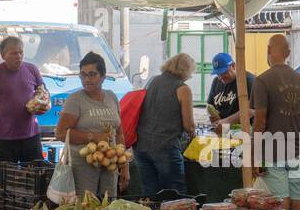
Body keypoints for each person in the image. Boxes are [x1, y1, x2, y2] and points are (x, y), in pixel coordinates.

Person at [55, 52, 128, 198]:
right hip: (83, 165)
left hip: (110, 163)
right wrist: (93, 137)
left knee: (109, 204)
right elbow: (61, 133)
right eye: (83, 75)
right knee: (87, 207)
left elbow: (119, 133)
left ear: (103, 76)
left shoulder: (111, 97)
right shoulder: (75, 100)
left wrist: (124, 166)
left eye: (92, 74)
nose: (87, 79)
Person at [253, 34, 300, 210]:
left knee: (281, 201)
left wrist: (255, 156)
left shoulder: (262, 80)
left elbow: (260, 122)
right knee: (296, 200)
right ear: (288, 53)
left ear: (268, 50)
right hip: (298, 150)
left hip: (273, 151)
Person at [0, 35, 46, 163]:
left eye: (21, 52)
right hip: (5, 138)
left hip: (31, 136)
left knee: (36, 177)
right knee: (5, 178)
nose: (18, 56)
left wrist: (46, 105)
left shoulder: (32, 70)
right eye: (14, 53)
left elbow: (44, 93)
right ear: (3, 55)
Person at [135, 53, 196, 196]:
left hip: (141, 146)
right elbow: (189, 126)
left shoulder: (152, 81)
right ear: (186, 71)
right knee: (175, 195)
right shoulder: (183, 89)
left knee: (149, 194)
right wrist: (193, 134)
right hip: (165, 147)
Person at [205, 52, 255, 134]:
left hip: (244, 131)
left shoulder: (248, 81)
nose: (220, 77)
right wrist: (213, 116)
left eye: (223, 72)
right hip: (224, 130)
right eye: (218, 74)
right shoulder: (216, 81)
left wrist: (226, 121)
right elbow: (209, 105)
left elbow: (249, 110)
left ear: (233, 66)